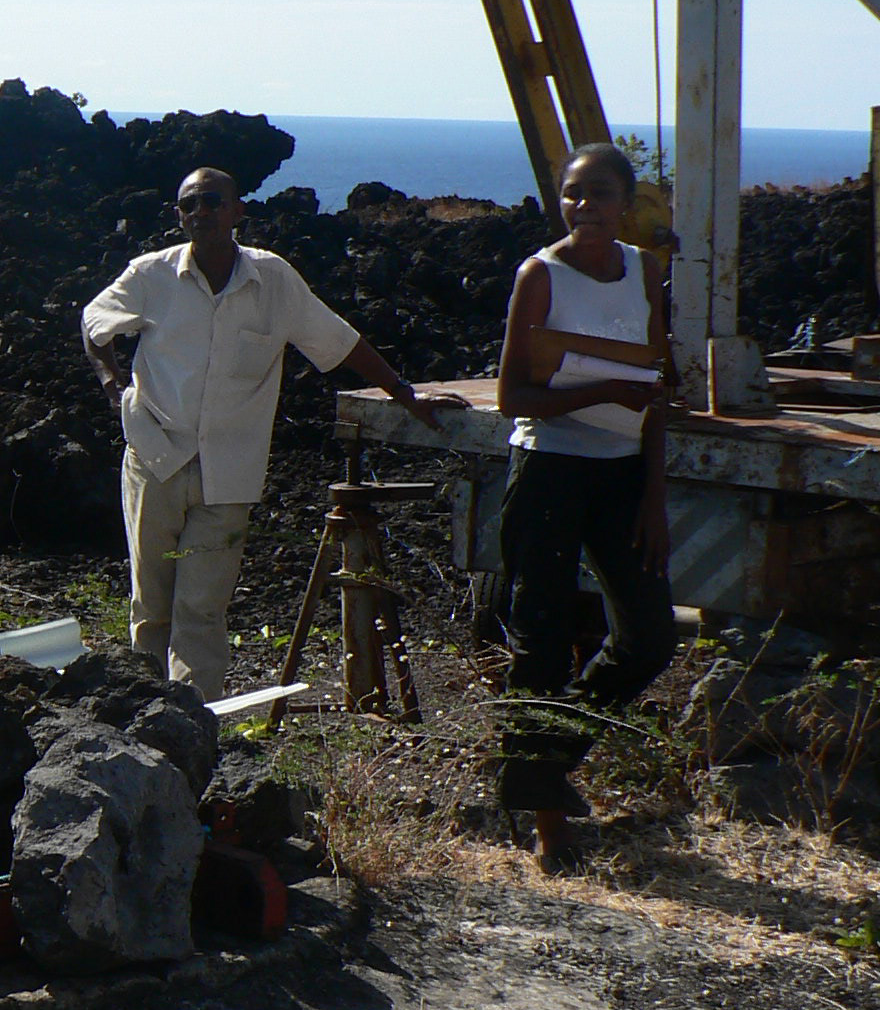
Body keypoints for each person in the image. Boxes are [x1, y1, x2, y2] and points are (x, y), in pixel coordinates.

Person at [80, 165, 449, 702]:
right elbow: (95, 323)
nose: (201, 213)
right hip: (155, 456)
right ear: (178, 215)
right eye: (189, 205)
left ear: (238, 210)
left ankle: (194, 722)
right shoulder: (150, 276)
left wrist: (405, 393)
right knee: (152, 603)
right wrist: (113, 384)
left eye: (212, 201)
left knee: (201, 607)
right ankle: (147, 715)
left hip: (228, 474)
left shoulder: (273, 280)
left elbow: (338, 341)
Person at [491, 143, 676, 872]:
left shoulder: (647, 272)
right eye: (572, 195)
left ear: (626, 204)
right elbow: (514, 398)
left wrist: (655, 498)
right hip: (548, 473)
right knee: (538, 640)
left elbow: (656, 389)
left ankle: (542, 760)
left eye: (598, 195)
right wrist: (603, 392)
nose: (583, 207)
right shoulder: (540, 275)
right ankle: (548, 831)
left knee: (650, 638)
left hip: (623, 476)